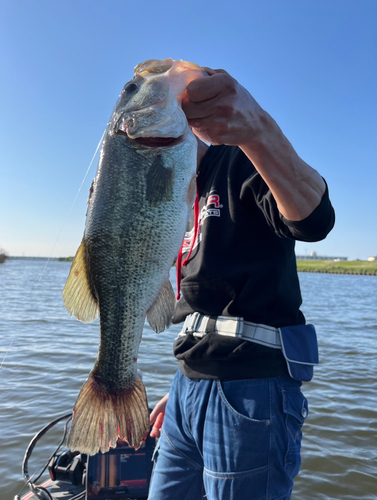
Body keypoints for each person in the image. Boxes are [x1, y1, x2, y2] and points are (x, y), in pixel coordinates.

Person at [147, 67, 335, 500]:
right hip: (185, 390)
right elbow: (196, 303)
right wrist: (184, 389)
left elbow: (315, 221)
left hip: (252, 390)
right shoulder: (173, 196)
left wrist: (257, 132)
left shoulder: (238, 159)